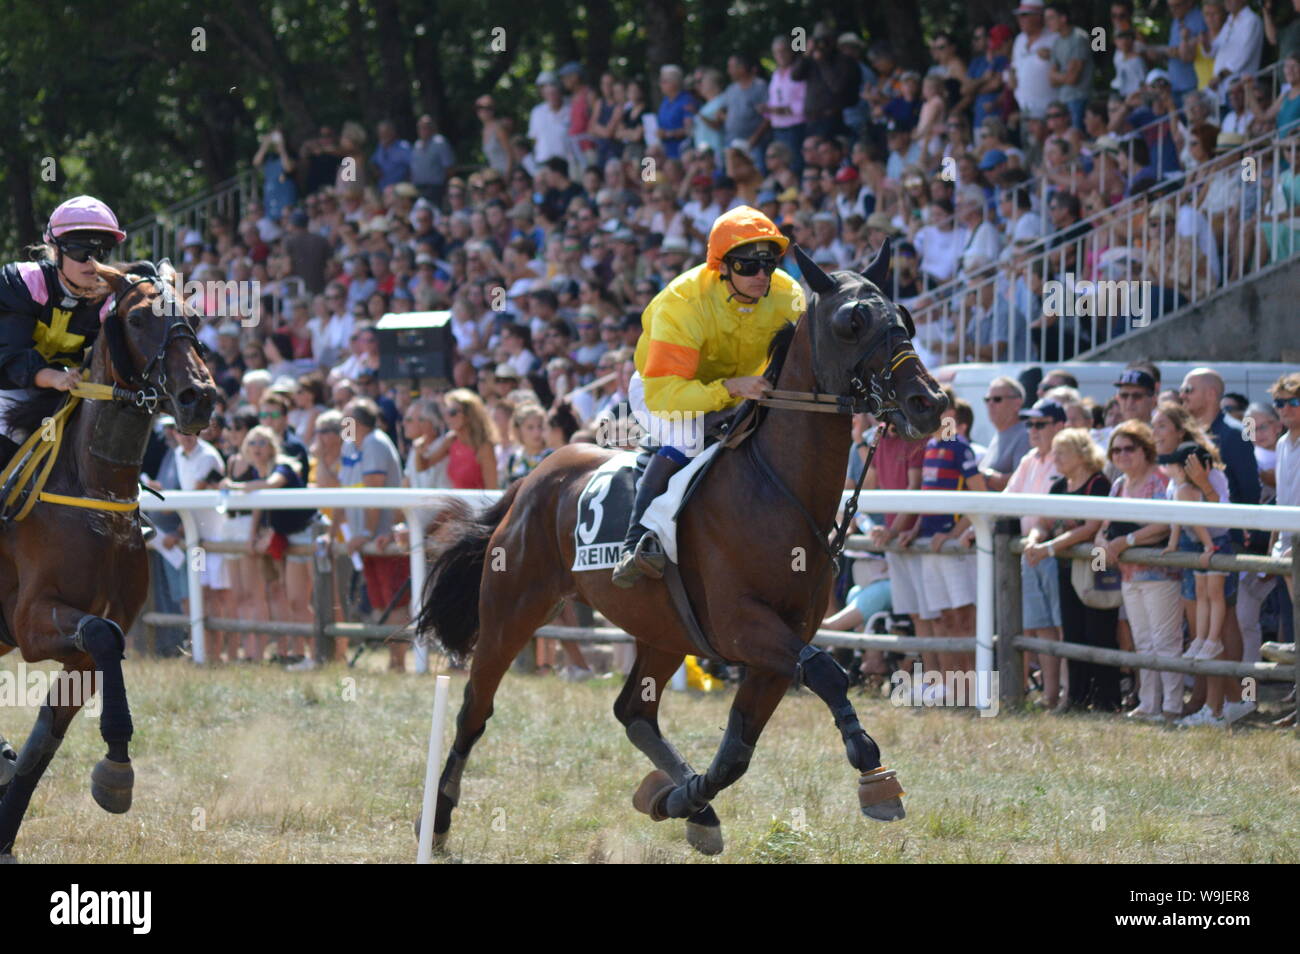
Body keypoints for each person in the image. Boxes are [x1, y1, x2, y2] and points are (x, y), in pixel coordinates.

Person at [611, 205, 804, 587]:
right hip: (662, 389)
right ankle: (635, 543)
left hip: (742, 389)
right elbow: (667, 393)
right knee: (688, 434)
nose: (762, 275)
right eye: (748, 266)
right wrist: (730, 389)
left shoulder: (789, 295)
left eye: (768, 264)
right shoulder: (682, 303)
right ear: (722, 266)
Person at [0, 195, 126, 464]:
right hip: (7, 391)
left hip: (67, 395)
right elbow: (10, 356)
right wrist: (52, 377)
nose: (92, 263)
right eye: (81, 252)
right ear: (56, 251)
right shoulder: (23, 282)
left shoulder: (110, 301)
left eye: (102, 252)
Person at [1024, 428, 1118, 713]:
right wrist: (1034, 539)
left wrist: (1049, 547)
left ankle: (1105, 699)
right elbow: (1043, 521)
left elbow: (1091, 526)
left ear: (1081, 454)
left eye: (1061, 452)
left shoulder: (1099, 483)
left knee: (1098, 632)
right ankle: (1076, 698)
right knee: (1073, 633)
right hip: (1066, 570)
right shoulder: (1058, 486)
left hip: (1094, 570)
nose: (1055, 458)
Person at [1100, 421, 1183, 721]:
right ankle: (1149, 704)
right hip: (1129, 573)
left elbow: (1166, 521)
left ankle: (1173, 705)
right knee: (1143, 641)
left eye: (1129, 448)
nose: (1122, 454)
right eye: (1116, 449)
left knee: (1166, 641)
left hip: (1159, 572)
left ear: (1145, 450)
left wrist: (1128, 540)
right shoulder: (1118, 485)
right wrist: (1106, 544)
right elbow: (1104, 524)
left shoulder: (1159, 479)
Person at [423, 388, 499, 490]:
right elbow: (423, 466)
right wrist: (418, 445)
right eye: (446, 412)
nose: (447, 417)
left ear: (468, 415)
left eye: (452, 412)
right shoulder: (451, 441)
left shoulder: (484, 448)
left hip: (478, 505)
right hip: (458, 504)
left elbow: (492, 490)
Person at [978, 376, 1030, 490]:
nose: (990, 404)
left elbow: (1021, 481)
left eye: (997, 399)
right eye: (987, 399)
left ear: (1017, 403)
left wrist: (985, 475)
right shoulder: (999, 433)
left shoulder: (1025, 436)